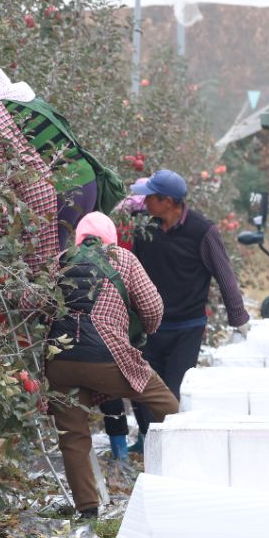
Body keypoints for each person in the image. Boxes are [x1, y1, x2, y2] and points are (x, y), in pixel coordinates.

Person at [45, 212, 177, 518]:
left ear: (79, 237)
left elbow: (35, 302)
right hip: (107, 355)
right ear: (110, 237)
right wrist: (142, 331)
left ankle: (88, 510)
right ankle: (188, 470)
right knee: (164, 402)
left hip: (59, 359)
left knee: (72, 434)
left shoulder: (61, 260)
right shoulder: (123, 259)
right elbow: (153, 307)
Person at [129, 170, 251, 451]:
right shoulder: (144, 229)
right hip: (150, 326)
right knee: (142, 385)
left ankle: (171, 446)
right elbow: (133, 272)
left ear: (168, 201)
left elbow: (224, 274)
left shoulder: (202, 231)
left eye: (151, 197)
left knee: (172, 392)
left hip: (186, 327)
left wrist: (239, 318)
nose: (145, 202)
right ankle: (148, 440)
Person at [0, 61, 59, 279]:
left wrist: (0, 226)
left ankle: (42, 309)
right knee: (53, 260)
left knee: (38, 268)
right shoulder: (12, 105)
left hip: (33, 200)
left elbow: (0, 182)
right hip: (50, 189)